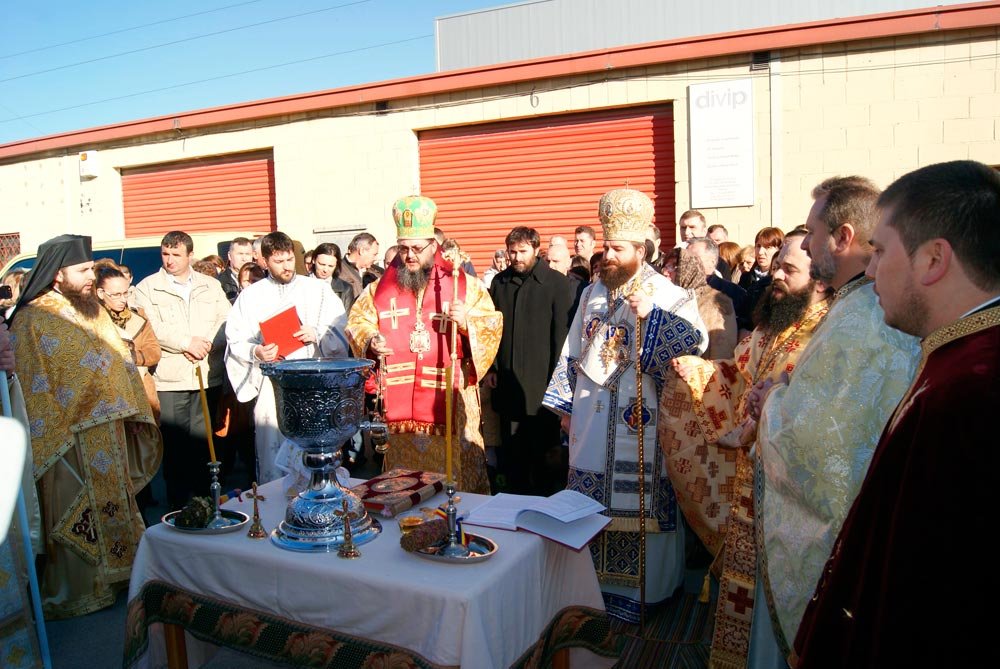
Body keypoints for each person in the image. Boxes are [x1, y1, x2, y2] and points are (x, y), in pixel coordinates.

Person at [792, 161, 1000, 668]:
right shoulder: (958, 359)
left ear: (933, 259)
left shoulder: (970, 390)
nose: (868, 269)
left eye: (881, 251)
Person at [747, 177, 919, 665]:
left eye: (814, 233)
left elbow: (818, 441)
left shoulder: (863, 316)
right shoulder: (858, 304)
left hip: (836, 539)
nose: (808, 244)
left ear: (843, 237)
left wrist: (773, 403)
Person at [659, 229, 833, 668]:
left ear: (820, 280)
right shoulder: (773, 326)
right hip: (751, 483)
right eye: (777, 267)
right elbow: (736, 377)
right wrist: (700, 372)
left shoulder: (827, 332)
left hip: (787, 494)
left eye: (788, 270)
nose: (776, 276)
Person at [543, 188, 707, 623]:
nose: (608, 255)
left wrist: (653, 318)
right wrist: (564, 408)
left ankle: (646, 595)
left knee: (642, 508)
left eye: (617, 248)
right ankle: (591, 594)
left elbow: (696, 346)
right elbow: (573, 350)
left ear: (641, 249)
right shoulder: (593, 293)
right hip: (591, 424)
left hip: (644, 427)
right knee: (591, 507)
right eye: (606, 246)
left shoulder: (669, 294)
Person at [9, 235, 160, 619]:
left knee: (117, 505)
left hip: (108, 432)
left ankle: (125, 574)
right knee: (74, 513)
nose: (91, 276)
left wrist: (130, 410)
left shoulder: (93, 310)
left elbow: (118, 361)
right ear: (57, 275)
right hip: (65, 438)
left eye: (90, 268)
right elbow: (30, 384)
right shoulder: (32, 319)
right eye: (82, 270)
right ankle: (81, 589)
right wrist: (49, 436)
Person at [345, 196, 502, 494]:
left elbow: (492, 325)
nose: (410, 256)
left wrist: (467, 322)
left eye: (417, 249)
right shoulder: (380, 288)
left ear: (434, 246)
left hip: (450, 400)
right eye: (404, 249)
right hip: (400, 410)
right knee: (405, 481)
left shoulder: (463, 285)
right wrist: (371, 339)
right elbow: (357, 322)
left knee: (453, 477)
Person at [225, 232, 349, 484]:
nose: (287, 266)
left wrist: (317, 333)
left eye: (290, 259)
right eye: (279, 261)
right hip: (273, 388)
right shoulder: (251, 296)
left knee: (314, 454)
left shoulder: (318, 290)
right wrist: (256, 352)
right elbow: (235, 338)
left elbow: (341, 329)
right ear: (264, 261)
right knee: (272, 451)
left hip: (313, 384)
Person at [134, 231, 231, 510]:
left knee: (204, 446)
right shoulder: (147, 287)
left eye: (176, 255)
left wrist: (207, 343)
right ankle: (177, 508)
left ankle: (206, 503)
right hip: (170, 379)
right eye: (165, 254)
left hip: (205, 373)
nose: (169, 260)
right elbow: (148, 326)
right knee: (176, 449)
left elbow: (225, 318)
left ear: (190, 255)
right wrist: (184, 343)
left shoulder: (209, 285)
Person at [486, 226, 574, 495]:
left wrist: (560, 384)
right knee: (513, 456)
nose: (516, 257)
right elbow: (492, 330)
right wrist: (492, 367)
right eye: (512, 252)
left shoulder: (558, 284)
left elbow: (562, 337)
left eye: (522, 251)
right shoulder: (499, 283)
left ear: (537, 250)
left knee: (546, 457)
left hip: (543, 389)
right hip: (509, 384)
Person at [96, 266, 162, 422]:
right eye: (116, 295)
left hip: (143, 393)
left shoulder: (137, 316)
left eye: (126, 293)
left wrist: (131, 355)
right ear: (100, 293)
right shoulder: (92, 321)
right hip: (110, 397)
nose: (123, 299)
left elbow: (154, 352)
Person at [673, 248, 737, 359]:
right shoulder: (669, 298)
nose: (665, 272)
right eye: (665, 266)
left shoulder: (716, 301)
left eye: (673, 267)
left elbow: (722, 349)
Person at [737, 227, 784, 332]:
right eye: (758, 246)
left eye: (768, 247)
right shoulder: (746, 277)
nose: (761, 252)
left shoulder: (782, 279)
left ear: (779, 249)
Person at [311, 242, 355, 312]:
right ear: (313, 260)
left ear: (336, 265)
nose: (325, 270)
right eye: (322, 264)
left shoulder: (346, 289)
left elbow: (347, 319)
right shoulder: (300, 284)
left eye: (330, 266)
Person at [340, 232, 381, 301]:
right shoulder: (338, 271)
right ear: (362, 251)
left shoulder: (377, 272)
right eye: (374, 254)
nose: (376, 259)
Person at [219, 237, 253, 303]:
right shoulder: (220, 282)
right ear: (229, 256)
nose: (244, 259)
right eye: (240, 254)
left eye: (247, 254)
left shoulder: (261, 278)